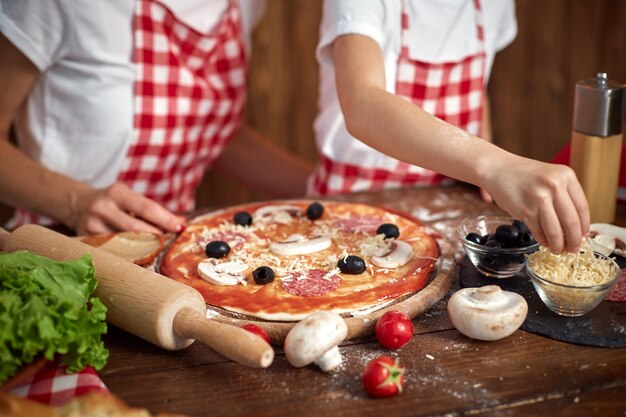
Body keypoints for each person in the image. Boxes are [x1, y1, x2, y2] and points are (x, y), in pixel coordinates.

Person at [0, 0, 312, 236]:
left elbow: (205, 132)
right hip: (61, 247)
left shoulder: (245, 5)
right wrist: (76, 202)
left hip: (176, 250)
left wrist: (331, 185)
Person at [307, 0, 588, 254]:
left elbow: (476, 88)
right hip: (352, 202)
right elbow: (363, 107)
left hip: (448, 202)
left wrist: (485, 164)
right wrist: (497, 166)